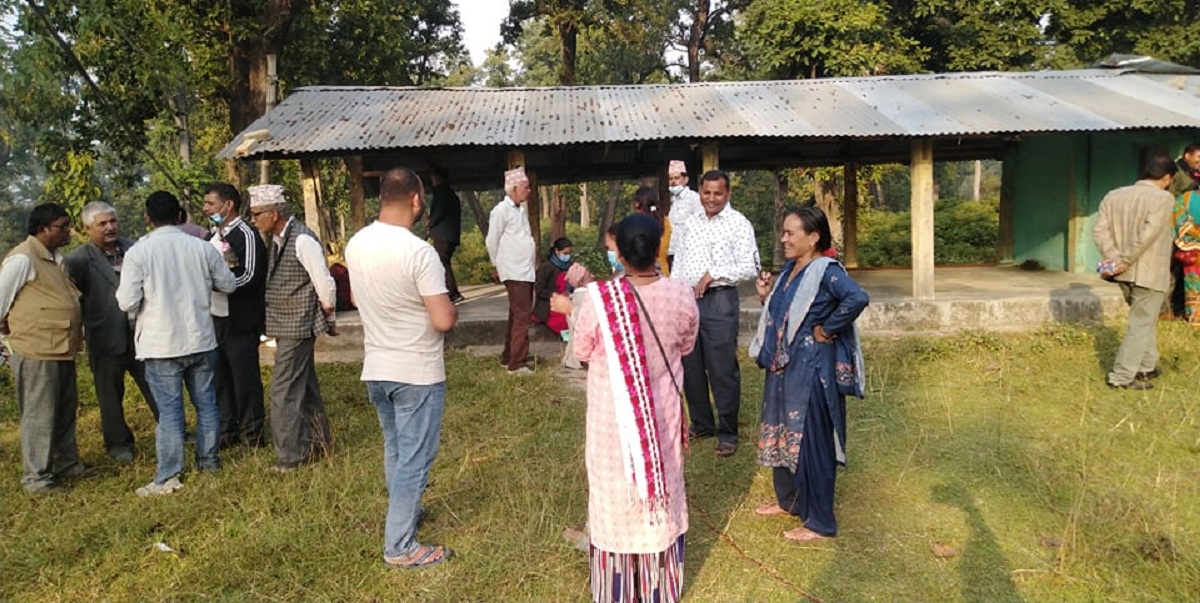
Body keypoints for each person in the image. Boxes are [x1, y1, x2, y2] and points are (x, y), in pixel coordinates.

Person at [573, 213, 698, 603]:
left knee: (615, 493)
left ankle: (617, 590)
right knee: (661, 489)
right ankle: (659, 588)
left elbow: (581, 350)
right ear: (658, 247)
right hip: (660, 416)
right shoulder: (681, 294)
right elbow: (687, 344)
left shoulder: (599, 300)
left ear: (620, 254)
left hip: (614, 422)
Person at [345, 167, 458, 570]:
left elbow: (357, 300)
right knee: (415, 458)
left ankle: (404, 514)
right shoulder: (418, 252)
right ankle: (400, 546)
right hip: (417, 370)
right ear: (416, 199)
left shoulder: (356, 244)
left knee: (396, 449)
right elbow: (443, 320)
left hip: (377, 364)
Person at [748, 206, 869, 543]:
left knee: (811, 441)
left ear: (813, 237)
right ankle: (791, 502)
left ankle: (820, 522)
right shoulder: (791, 269)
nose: (783, 238)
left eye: (791, 233)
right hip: (784, 367)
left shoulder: (826, 270)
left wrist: (828, 329)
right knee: (784, 434)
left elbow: (857, 297)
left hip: (812, 371)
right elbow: (785, 314)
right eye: (783, 232)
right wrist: (764, 296)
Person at [117, 191, 236, 496]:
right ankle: (209, 463)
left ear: (147, 218)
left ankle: (169, 475)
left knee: (170, 412)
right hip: (200, 338)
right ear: (181, 216)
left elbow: (127, 301)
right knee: (207, 403)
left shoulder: (139, 253)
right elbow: (228, 284)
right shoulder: (202, 248)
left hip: (161, 344)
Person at [249, 184, 336, 472]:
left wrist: (328, 311)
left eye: (256, 214)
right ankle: (318, 443)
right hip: (288, 322)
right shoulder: (277, 238)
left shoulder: (301, 240)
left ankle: (290, 457)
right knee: (305, 386)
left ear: (273, 214)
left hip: (298, 324)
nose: (254, 220)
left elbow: (323, 280)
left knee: (282, 391)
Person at [672, 169, 760, 457]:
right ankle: (702, 423)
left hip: (720, 300)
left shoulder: (738, 224)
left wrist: (714, 273)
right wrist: (675, 295)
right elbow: (679, 265)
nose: (712, 198)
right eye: (707, 193)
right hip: (688, 299)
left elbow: (750, 266)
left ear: (728, 194)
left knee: (722, 367)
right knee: (691, 364)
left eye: (718, 193)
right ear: (700, 192)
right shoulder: (689, 224)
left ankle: (727, 431)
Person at [65, 201, 159, 462]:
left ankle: (173, 431)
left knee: (156, 386)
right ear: (87, 229)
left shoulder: (135, 249)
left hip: (142, 335)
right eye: (102, 224)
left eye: (113, 221)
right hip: (105, 339)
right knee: (110, 397)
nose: (110, 228)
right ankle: (119, 446)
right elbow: (74, 300)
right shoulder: (78, 260)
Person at [0, 203, 84, 493]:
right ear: (43, 229)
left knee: (63, 411)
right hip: (36, 350)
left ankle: (65, 465)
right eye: (62, 226)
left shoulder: (54, 259)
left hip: (61, 348)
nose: (67, 232)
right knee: (39, 415)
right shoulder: (22, 259)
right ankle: (37, 478)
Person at [1093, 155, 1176, 390]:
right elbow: (1149, 233)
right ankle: (1121, 378)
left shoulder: (1114, 195)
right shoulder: (1163, 198)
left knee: (1144, 320)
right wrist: (1126, 260)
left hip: (1121, 273)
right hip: (1148, 271)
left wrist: (1116, 260)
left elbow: (1100, 231)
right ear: (1167, 178)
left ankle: (1147, 367)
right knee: (1140, 324)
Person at [202, 183, 268, 449]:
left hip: (240, 319)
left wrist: (220, 284)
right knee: (220, 378)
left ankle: (252, 434)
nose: (206, 209)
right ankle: (227, 431)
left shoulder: (246, 234)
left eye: (210, 204)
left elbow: (250, 276)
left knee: (244, 379)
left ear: (228, 205)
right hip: (215, 318)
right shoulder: (212, 237)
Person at [486, 166, 537, 375]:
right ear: (514, 189)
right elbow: (492, 240)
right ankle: (517, 363)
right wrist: (497, 265)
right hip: (514, 271)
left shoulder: (520, 210)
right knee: (523, 315)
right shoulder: (501, 210)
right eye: (525, 187)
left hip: (524, 270)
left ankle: (509, 356)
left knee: (516, 314)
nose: (529, 191)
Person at [428, 168, 465, 304]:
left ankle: (452, 292)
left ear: (437, 179)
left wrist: (430, 224)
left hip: (443, 234)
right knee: (444, 262)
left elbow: (438, 212)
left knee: (442, 262)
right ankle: (451, 291)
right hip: (451, 234)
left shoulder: (441, 193)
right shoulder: (451, 194)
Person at [533, 237, 573, 338]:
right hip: (549, 304)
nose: (567, 256)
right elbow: (539, 289)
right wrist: (555, 295)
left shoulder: (571, 265)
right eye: (565, 253)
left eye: (569, 253)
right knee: (564, 318)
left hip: (568, 299)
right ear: (556, 251)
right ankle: (567, 339)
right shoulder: (546, 267)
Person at [665, 160, 701, 271]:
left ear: (685, 179)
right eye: (671, 179)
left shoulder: (694, 199)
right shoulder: (674, 201)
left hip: (689, 254)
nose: (673, 182)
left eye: (677, 178)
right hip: (674, 253)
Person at [633, 186, 671, 277]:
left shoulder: (637, 222)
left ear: (637, 204)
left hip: (643, 273)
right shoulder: (665, 220)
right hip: (663, 272)